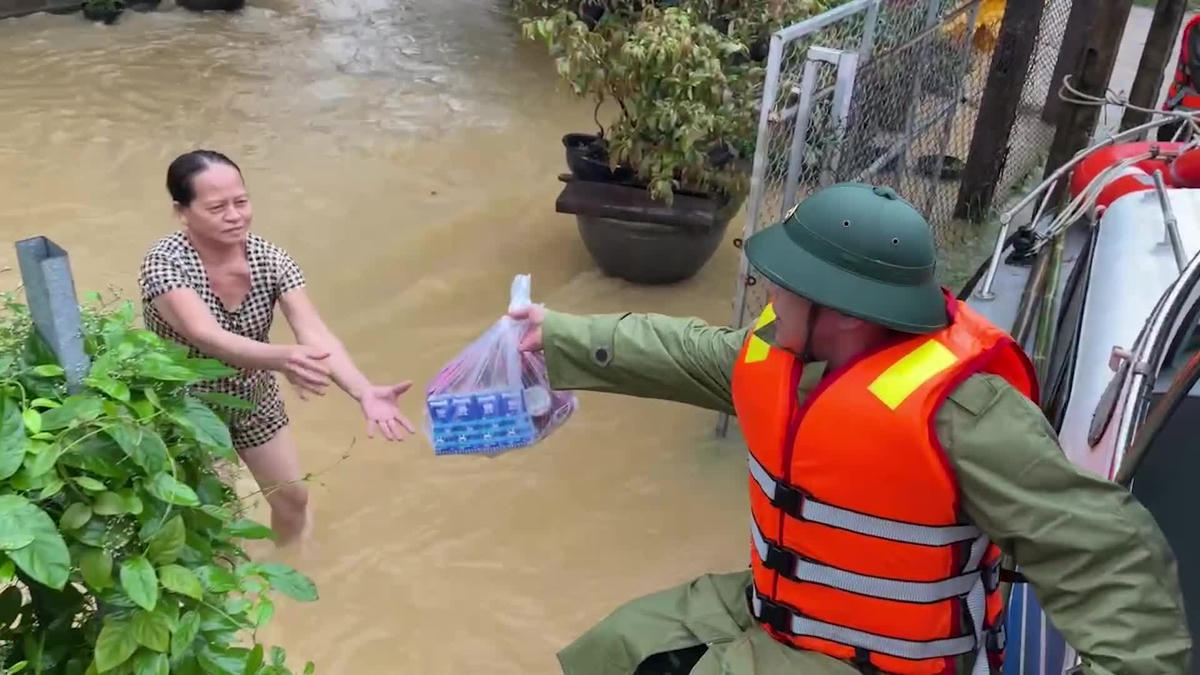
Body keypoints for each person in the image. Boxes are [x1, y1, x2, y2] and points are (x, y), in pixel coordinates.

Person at [510, 182, 1192, 674]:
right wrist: (557, 336)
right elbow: (691, 354)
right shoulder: (793, 352)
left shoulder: (969, 416)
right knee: (620, 646)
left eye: (785, 283)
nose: (768, 292)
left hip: (878, 663)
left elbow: (1111, 559)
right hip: (772, 618)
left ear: (843, 312)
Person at [138, 149, 415, 545]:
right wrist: (285, 359)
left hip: (253, 397)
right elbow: (206, 335)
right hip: (185, 406)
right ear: (182, 212)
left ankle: (291, 570)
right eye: (217, 207)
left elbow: (314, 331)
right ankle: (227, 580)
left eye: (241, 202)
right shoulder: (165, 263)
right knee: (214, 518)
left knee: (292, 498)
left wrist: (363, 390)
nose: (234, 215)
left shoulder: (271, 259)